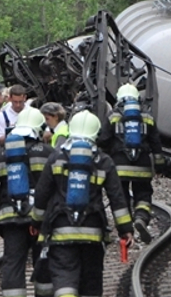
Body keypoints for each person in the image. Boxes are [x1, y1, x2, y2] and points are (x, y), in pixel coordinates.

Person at [31, 110, 134, 297]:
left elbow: (41, 194)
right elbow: (117, 198)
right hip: (93, 233)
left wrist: (36, 222)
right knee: (91, 281)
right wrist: (125, 229)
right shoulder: (104, 161)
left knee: (64, 275)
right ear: (96, 133)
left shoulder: (57, 158)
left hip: (61, 230)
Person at [0, 108, 56, 297]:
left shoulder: (4, 154)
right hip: (41, 220)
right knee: (44, 262)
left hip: (11, 219)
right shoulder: (49, 153)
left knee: (13, 264)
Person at [98, 83, 164, 243]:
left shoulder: (113, 115)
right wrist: (160, 165)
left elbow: (104, 140)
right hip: (142, 165)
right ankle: (141, 217)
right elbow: (156, 143)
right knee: (143, 194)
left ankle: (127, 229)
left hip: (119, 165)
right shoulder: (147, 116)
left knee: (122, 196)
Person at [0, 85, 28, 157]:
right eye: (15, 102)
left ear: (25, 98)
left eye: (20, 102)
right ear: (10, 98)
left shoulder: (32, 112)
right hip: (10, 152)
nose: (18, 105)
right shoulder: (3, 115)